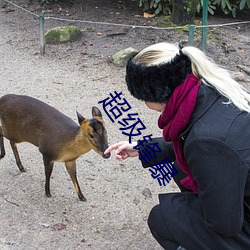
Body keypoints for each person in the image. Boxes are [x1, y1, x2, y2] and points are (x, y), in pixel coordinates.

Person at [104, 42, 250, 250]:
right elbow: (189, 139)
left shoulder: (207, 142)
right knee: (179, 169)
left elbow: (225, 224)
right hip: (240, 186)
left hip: (241, 221)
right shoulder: (209, 88)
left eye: (143, 97)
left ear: (155, 93)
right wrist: (143, 148)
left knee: (162, 218)